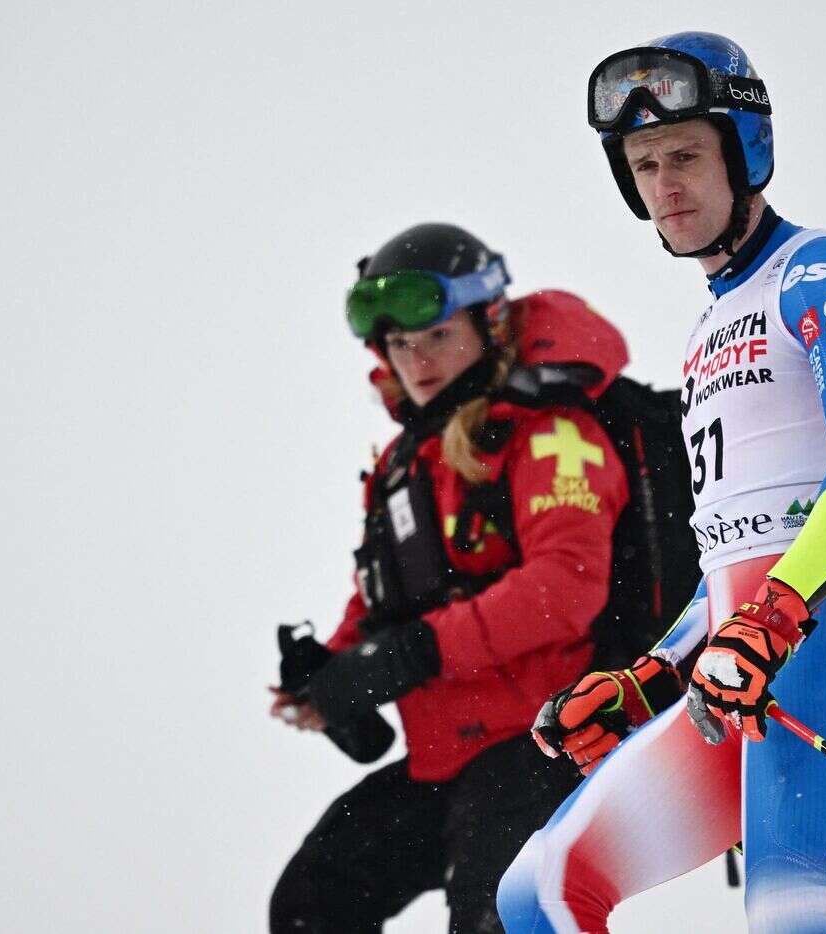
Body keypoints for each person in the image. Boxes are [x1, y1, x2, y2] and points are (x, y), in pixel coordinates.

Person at [499, 32, 826, 933]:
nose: (665, 186)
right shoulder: (705, 330)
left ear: (745, 149)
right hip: (742, 654)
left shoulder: (820, 268)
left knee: (789, 917)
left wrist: (777, 613)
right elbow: (731, 543)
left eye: (684, 155)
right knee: (539, 892)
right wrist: (653, 674)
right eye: (643, 165)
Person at [269, 223, 634, 934]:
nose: (417, 360)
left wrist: (412, 654)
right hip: (447, 756)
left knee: (499, 920)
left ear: (488, 322)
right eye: (400, 346)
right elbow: (382, 603)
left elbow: (566, 587)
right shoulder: (409, 464)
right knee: (312, 904)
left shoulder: (551, 432)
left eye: (436, 335)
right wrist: (331, 673)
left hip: (543, 742)